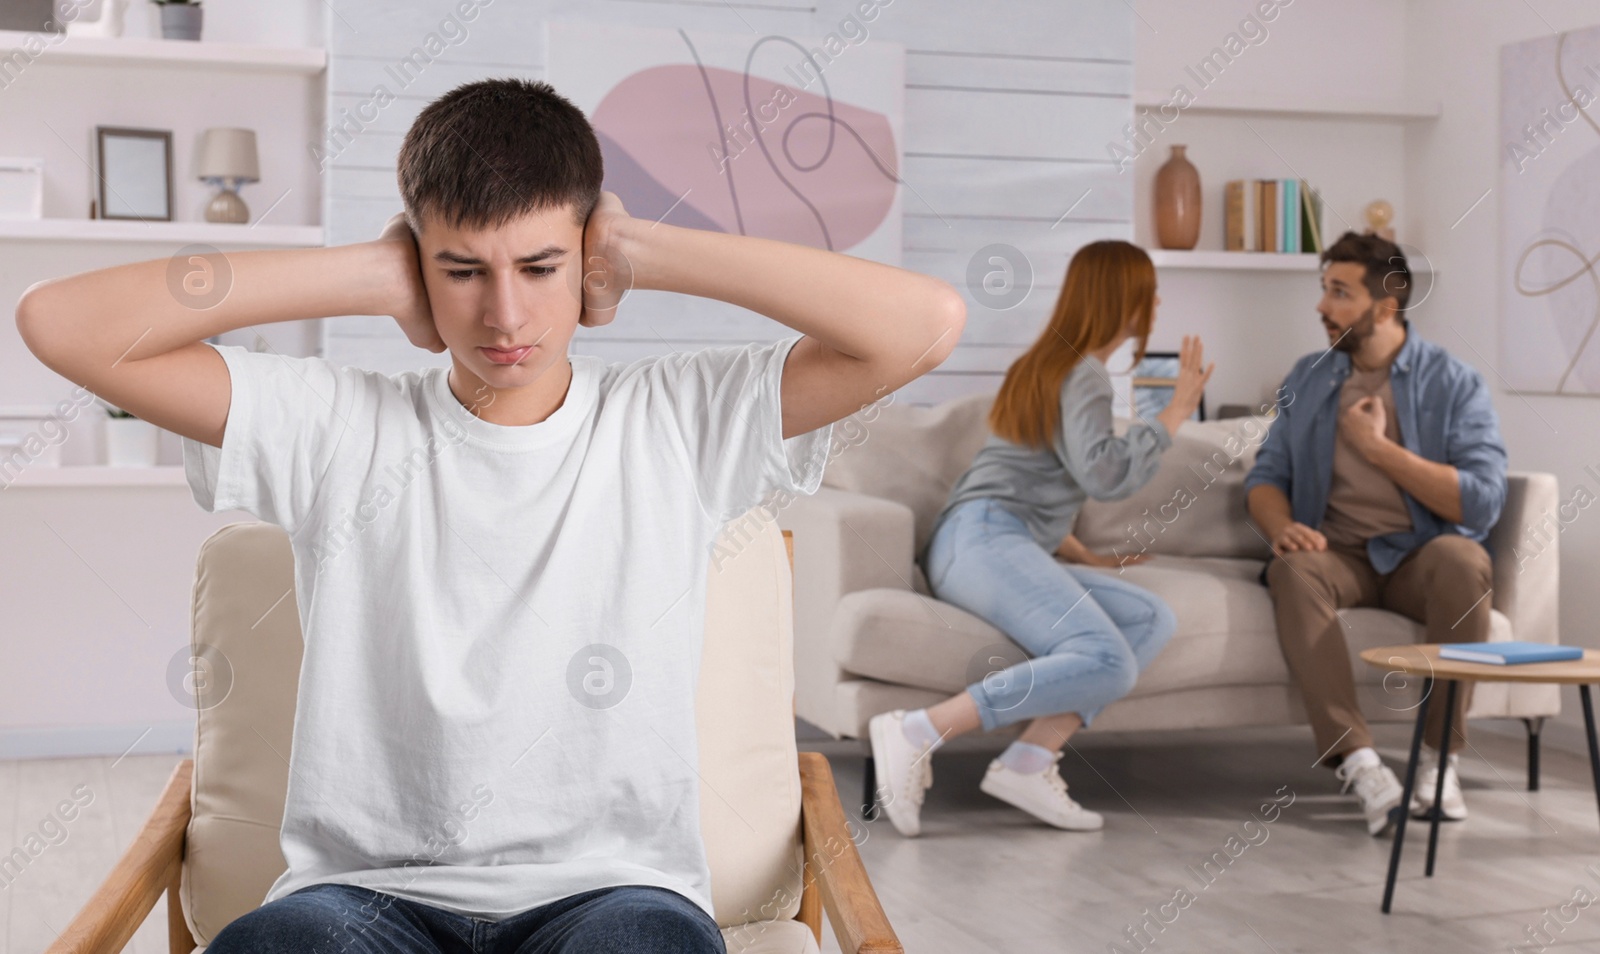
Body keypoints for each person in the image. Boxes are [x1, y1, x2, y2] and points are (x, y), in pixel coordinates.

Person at [14, 78, 965, 953]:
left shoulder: (679, 420)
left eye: (542, 265)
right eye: (462, 270)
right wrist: (365, 275)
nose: (505, 314)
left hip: (614, 897)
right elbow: (59, 324)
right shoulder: (335, 425)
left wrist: (651, 250)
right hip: (362, 900)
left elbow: (924, 324)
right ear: (418, 261)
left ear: (588, 257)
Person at [869, 240, 1210, 837]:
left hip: (985, 540)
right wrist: (1175, 411)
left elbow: (1035, 476)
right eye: (1146, 288)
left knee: (1148, 619)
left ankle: (1028, 761)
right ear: (1121, 297)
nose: (1155, 300)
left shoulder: (1051, 362)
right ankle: (917, 730)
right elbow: (1102, 475)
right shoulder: (1086, 375)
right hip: (983, 538)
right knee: (1107, 659)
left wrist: (1081, 555)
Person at [1245, 230, 1508, 837]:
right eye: (1324, 289)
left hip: (1419, 556)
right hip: (1336, 554)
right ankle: (1360, 762)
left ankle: (1440, 765)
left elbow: (1484, 499)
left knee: (1464, 560)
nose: (1322, 306)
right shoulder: (1308, 377)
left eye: (1340, 292)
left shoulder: (1454, 383)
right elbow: (1265, 475)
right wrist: (1283, 527)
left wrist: (1380, 452)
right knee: (1292, 570)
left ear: (1385, 308)